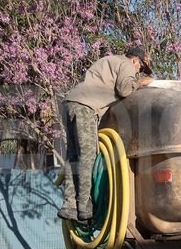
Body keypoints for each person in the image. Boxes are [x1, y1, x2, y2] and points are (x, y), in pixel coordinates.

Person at [58, 47, 153, 224]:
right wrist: (140, 83)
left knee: (73, 158)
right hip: (86, 107)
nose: (138, 71)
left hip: (70, 103)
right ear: (135, 60)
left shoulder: (109, 60)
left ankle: (69, 206)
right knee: (88, 156)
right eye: (140, 67)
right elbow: (124, 89)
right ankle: (84, 208)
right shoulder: (125, 64)